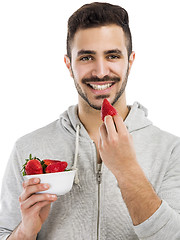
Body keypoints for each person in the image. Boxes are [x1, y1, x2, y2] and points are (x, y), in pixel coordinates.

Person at [0, 2, 180, 240]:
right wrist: (25, 231)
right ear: (68, 65)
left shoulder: (171, 151)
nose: (100, 71)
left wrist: (127, 170)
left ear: (131, 61)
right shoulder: (28, 147)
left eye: (113, 55)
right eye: (86, 57)